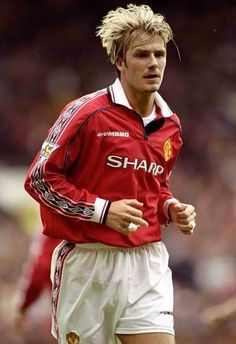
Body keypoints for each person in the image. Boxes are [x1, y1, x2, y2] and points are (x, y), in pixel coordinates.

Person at [24, 4, 196, 344]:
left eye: (159, 54)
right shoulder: (86, 113)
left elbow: (155, 186)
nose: (153, 63)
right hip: (89, 263)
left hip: (147, 261)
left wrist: (169, 207)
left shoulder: (170, 125)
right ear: (119, 61)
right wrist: (103, 210)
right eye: (141, 55)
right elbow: (40, 179)